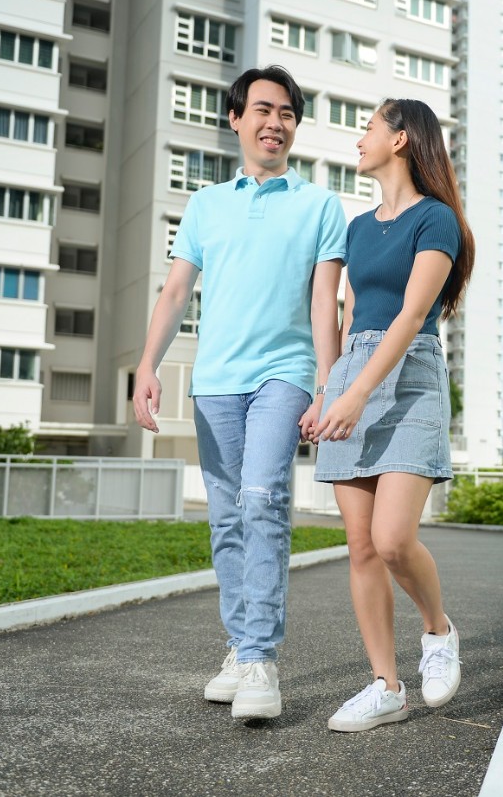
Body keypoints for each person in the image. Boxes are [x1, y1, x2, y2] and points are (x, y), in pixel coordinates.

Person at [132, 65, 345, 721]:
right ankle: (240, 645)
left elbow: (323, 302)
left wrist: (326, 385)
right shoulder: (205, 204)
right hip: (216, 382)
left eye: (286, 112)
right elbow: (175, 292)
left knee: (261, 496)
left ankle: (260, 661)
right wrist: (147, 365)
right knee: (225, 518)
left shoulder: (320, 206)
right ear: (236, 119)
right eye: (262, 109)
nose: (274, 122)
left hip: (283, 375)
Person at [310, 98, 476, 733]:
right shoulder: (358, 227)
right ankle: (385, 686)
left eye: (370, 127)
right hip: (353, 371)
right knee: (359, 547)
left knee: (392, 539)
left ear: (402, 140)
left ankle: (438, 632)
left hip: (409, 377)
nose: (361, 138)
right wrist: (330, 390)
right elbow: (352, 316)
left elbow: (410, 316)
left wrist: (357, 395)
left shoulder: (436, 221)